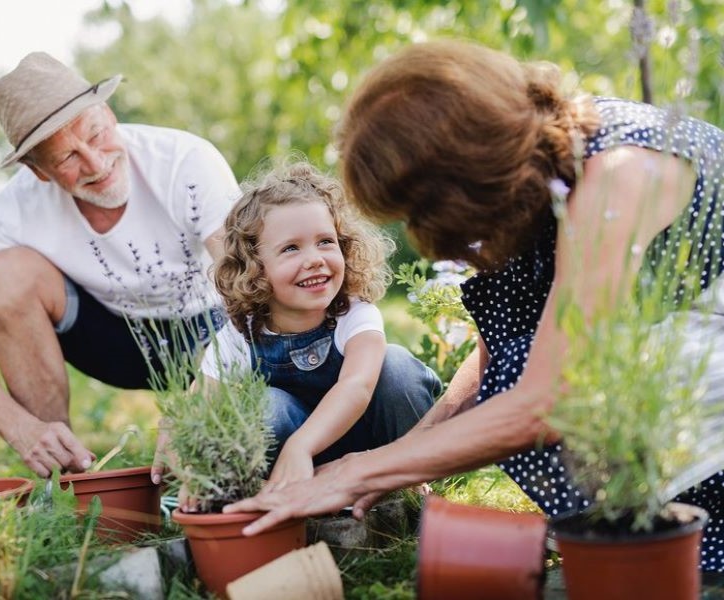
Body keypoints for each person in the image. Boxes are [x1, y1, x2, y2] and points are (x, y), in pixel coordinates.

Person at [223, 40, 724, 572]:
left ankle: (674, 533)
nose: (419, 230)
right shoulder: (547, 167)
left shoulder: (616, 176)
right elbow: (500, 354)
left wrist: (358, 473)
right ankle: (635, 530)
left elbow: (546, 399)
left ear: (460, 176)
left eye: (416, 208)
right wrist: (406, 459)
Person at [0, 52, 239, 479]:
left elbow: (253, 294)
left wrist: (203, 393)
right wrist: (22, 430)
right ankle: (63, 477)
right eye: (66, 158)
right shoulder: (10, 216)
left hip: (210, 328)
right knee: (6, 275)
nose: (96, 165)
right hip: (112, 340)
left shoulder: (186, 161)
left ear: (109, 114)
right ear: (37, 170)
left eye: (96, 134)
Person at [158, 161, 441, 499]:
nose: (315, 259)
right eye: (291, 248)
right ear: (256, 269)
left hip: (370, 451)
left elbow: (356, 385)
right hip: (289, 469)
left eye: (325, 241)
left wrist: (302, 445)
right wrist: (185, 455)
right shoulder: (241, 334)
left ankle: (405, 482)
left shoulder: (354, 313)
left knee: (397, 368)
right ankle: (282, 495)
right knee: (263, 404)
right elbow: (199, 404)